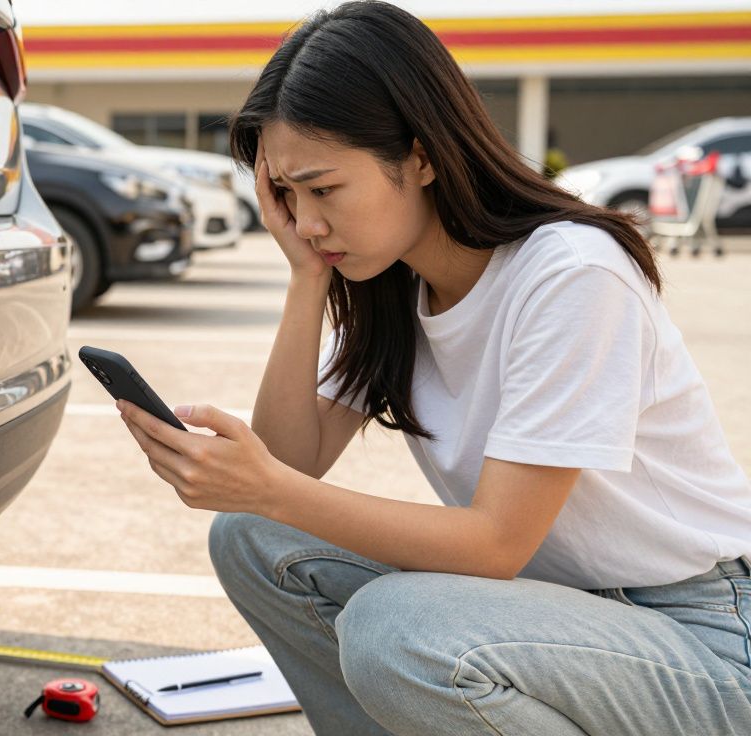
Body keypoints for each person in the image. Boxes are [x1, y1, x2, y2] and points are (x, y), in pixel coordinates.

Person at [112, 3, 751, 734]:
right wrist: (305, 279)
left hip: (702, 636)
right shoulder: (397, 284)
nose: (308, 220)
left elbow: (496, 543)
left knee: (398, 630)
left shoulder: (571, 274)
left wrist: (267, 485)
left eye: (323, 190)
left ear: (420, 156)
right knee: (251, 540)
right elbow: (288, 465)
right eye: (287, 197)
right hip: (550, 612)